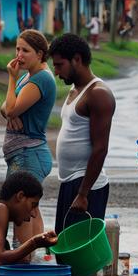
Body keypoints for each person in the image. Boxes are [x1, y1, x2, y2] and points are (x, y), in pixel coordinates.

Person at [50, 34, 115, 240]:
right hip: (71, 182)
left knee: (80, 254)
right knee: (65, 248)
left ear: (76, 59)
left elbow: (100, 148)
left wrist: (83, 193)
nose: (56, 72)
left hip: (86, 186)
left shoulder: (98, 94)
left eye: (60, 65)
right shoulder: (75, 89)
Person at [1, 30, 57, 243]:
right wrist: (10, 110)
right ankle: (33, 262)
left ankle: (23, 264)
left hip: (29, 154)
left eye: (26, 50)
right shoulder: (30, 76)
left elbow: (11, 108)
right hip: (26, 153)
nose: (19, 55)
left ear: (40, 54)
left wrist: (11, 79)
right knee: (31, 209)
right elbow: (5, 108)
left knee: (20, 214)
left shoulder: (40, 78)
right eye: (17, 49)